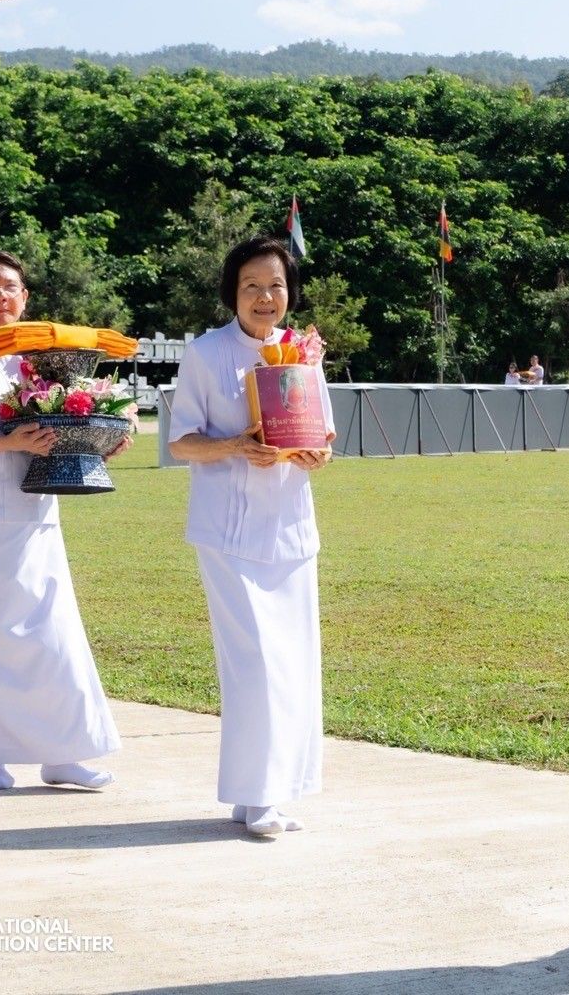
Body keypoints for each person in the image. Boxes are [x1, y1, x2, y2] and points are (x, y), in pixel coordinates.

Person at [0, 249, 123, 792]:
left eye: (8, 287)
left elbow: (66, 425)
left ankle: (64, 753)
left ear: (25, 297)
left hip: (36, 512)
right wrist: (9, 441)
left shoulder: (47, 357)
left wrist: (101, 442)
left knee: (53, 633)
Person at [167, 235, 333, 840]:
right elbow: (180, 441)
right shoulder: (207, 354)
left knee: (292, 663)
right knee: (255, 664)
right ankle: (260, 794)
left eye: (277, 286)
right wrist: (237, 446)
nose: (266, 298)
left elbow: (322, 437)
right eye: (252, 286)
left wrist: (314, 455)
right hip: (228, 532)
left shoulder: (302, 351)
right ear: (232, 293)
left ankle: (261, 793)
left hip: (290, 530)